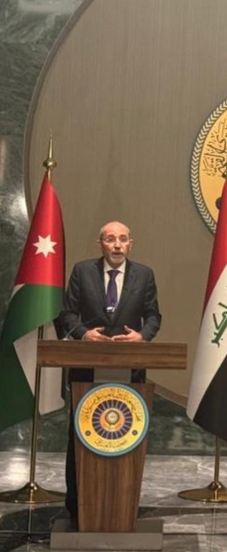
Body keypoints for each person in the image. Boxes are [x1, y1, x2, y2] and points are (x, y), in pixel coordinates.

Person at [59, 221, 162, 522]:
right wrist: (83, 333)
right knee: (83, 434)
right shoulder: (82, 271)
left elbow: (154, 316)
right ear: (100, 244)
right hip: (87, 370)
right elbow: (67, 313)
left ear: (131, 244)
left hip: (130, 370)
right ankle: (77, 506)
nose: (117, 245)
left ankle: (122, 504)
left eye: (123, 239)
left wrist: (142, 336)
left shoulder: (144, 274)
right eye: (110, 239)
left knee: (125, 433)